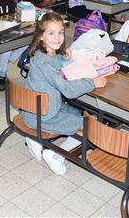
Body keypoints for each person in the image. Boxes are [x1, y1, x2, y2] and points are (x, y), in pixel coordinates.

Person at [24, 12, 107, 175]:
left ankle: (35, 140)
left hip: (39, 109)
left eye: (61, 32)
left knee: (81, 113)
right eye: (51, 33)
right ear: (41, 36)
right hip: (43, 116)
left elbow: (58, 73)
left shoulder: (43, 54)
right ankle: (55, 154)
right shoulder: (44, 61)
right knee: (88, 125)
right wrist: (92, 82)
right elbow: (68, 90)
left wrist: (65, 58)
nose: (58, 38)